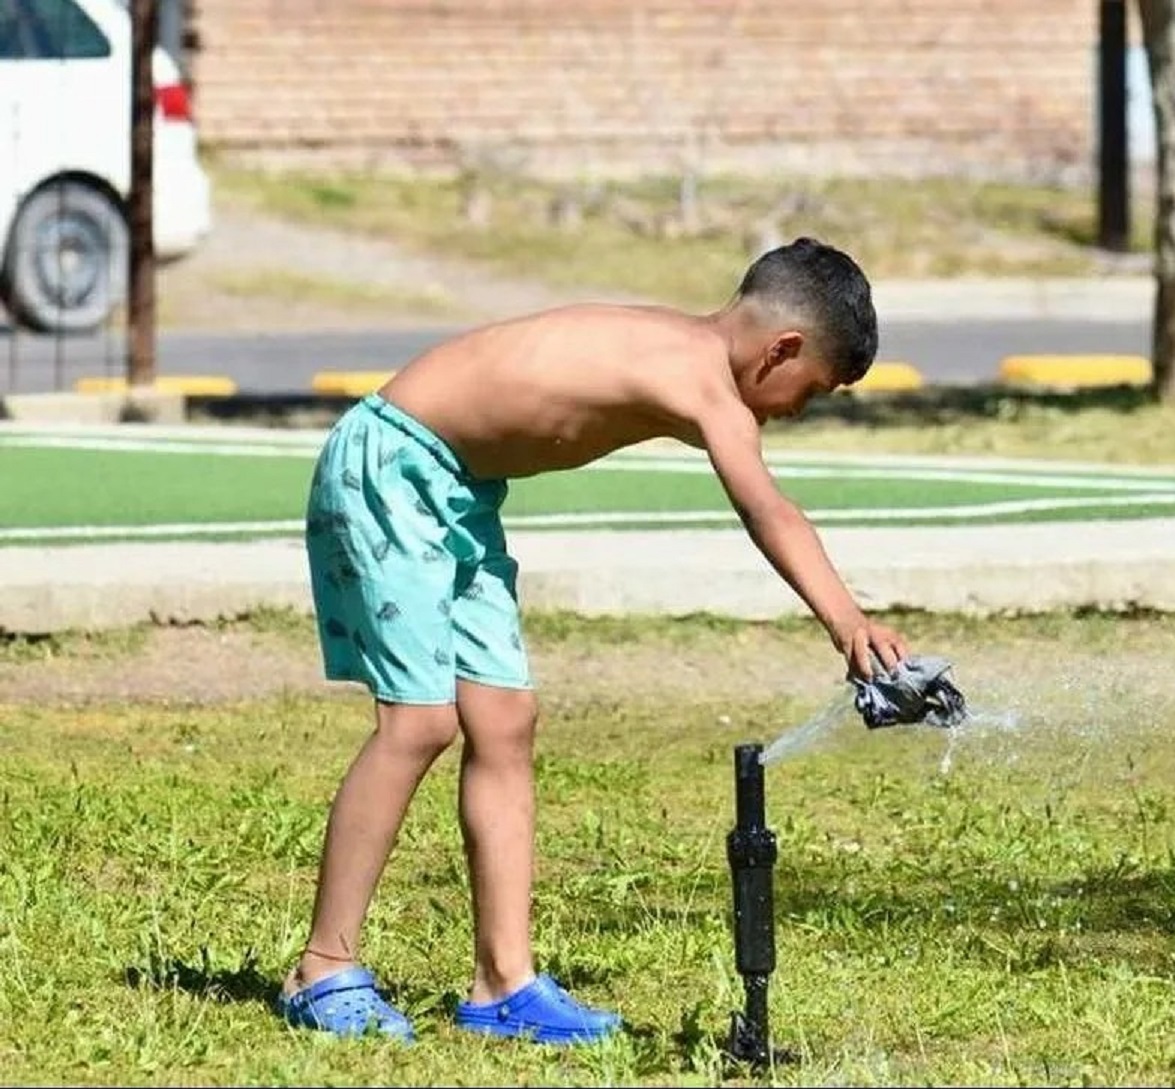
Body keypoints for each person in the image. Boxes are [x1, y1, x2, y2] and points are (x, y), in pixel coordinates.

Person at [280, 237, 911, 1043]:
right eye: (810, 389)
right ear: (779, 348)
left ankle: (504, 983)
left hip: (461, 489)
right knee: (421, 722)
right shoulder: (699, 377)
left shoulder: (691, 353)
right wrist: (847, 621)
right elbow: (768, 509)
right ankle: (323, 967)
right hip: (395, 464)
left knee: (505, 719)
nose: (800, 409)